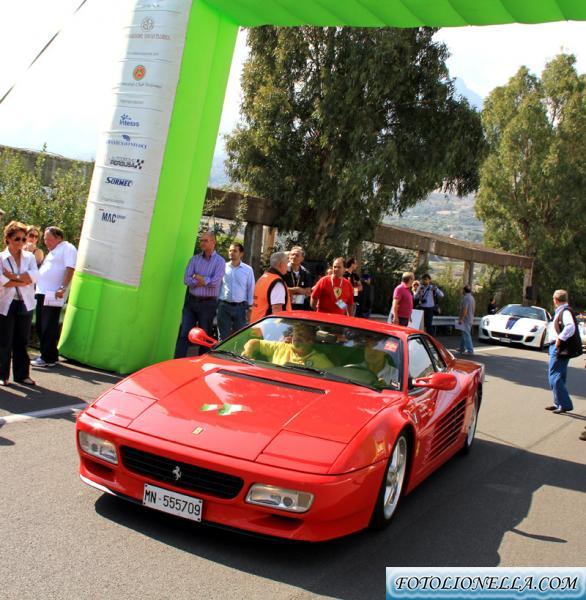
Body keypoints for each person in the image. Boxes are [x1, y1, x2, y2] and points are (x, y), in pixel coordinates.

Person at [174, 231, 225, 358]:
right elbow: (186, 280)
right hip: (191, 302)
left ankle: (202, 365)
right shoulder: (194, 259)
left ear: (213, 242)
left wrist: (197, 277)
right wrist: (204, 280)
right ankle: (177, 363)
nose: (202, 243)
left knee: (204, 336)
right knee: (184, 334)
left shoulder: (220, 262)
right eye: (201, 240)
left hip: (208, 304)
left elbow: (214, 283)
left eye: (205, 240)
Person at [31, 226, 77, 368]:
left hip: (52, 294)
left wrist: (62, 288)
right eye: (45, 239)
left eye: (49, 239)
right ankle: (50, 355)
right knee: (41, 325)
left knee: (47, 326)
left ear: (59, 238)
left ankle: (48, 358)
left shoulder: (67, 248)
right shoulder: (53, 251)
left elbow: (70, 268)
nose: (46, 242)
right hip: (42, 292)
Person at [0, 221, 39, 385]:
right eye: (17, 239)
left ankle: (22, 375)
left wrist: (12, 277)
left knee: (22, 341)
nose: (21, 243)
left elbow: (34, 277)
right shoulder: (1, 258)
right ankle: (2, 376)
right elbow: (2, 282)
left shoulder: (29, 257)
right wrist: (21, 280)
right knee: (4, 341)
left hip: (25, 302)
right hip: (6, 303)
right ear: (8, 238)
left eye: (24, 239)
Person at [545, 289, 582, 414]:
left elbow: (570, 326)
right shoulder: (563, 311)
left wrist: (560, 339)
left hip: (559, 347)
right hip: (557, 346)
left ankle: (565, 404)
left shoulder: (565, 312)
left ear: (555, 300)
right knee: (558, 376)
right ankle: (559, 403)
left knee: (554, 377)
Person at [242, 322, 332, 369]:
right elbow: (254, 342)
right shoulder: (281, 347)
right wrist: (247, 354)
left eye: (302, 334)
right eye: (296, 333)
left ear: (311, 340)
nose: (297, 336)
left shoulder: (322, 362)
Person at [217, 242, 254, 340]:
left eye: (235, 251)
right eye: (230, 250)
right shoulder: (223, 267)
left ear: (241, 254)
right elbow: (218, 285)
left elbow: (251, 288)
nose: (231, 253)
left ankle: (235, 355)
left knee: (239, 336)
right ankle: (221, 355)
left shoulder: (248, 269)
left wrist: (250, 307)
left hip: (240, 307)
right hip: (224, 306)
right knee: (223, 336)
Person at [250, 251, 291, 322]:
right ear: (281, 265)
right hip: (266, 328)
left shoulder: (264, 277)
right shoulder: (277, 282)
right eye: (287, 264)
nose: (287, 267)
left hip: (256, 324)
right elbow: (277, 308)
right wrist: (279, 328)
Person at [284, 246, 313, 310]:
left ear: (302, 258)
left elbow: (308, 292)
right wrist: (297, 290)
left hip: (300, 308)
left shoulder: (306, 273)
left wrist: (291, 291)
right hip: (285, 306)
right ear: (289, 256)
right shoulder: (283, 271)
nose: (294, 257)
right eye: (292, 254)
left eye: (297, 255)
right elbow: (281, 289)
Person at [458, 284, 475, 355]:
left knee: (466, 334)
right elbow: (474, 308)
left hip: (466, 319)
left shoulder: (466, 298)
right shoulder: (472, 298)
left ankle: (470, 350)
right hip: (470, 318)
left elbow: (465, 309)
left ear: (464, 291)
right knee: (464, 334)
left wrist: (461, 319)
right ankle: (462, 348)